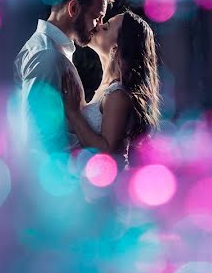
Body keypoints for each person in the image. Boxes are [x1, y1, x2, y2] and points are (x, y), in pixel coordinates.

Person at [13, 0, 114, 155]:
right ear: (73, 9)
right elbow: (36, 139)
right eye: (96, 17)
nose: (98, 25)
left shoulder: (56, 49)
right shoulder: (47, 55)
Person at [62, 9, 161, 168]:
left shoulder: (118, 95)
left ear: (116, 48)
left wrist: (74, 114)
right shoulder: (107, 89)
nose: (98, 26)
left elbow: (106, 153)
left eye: (106, 27)